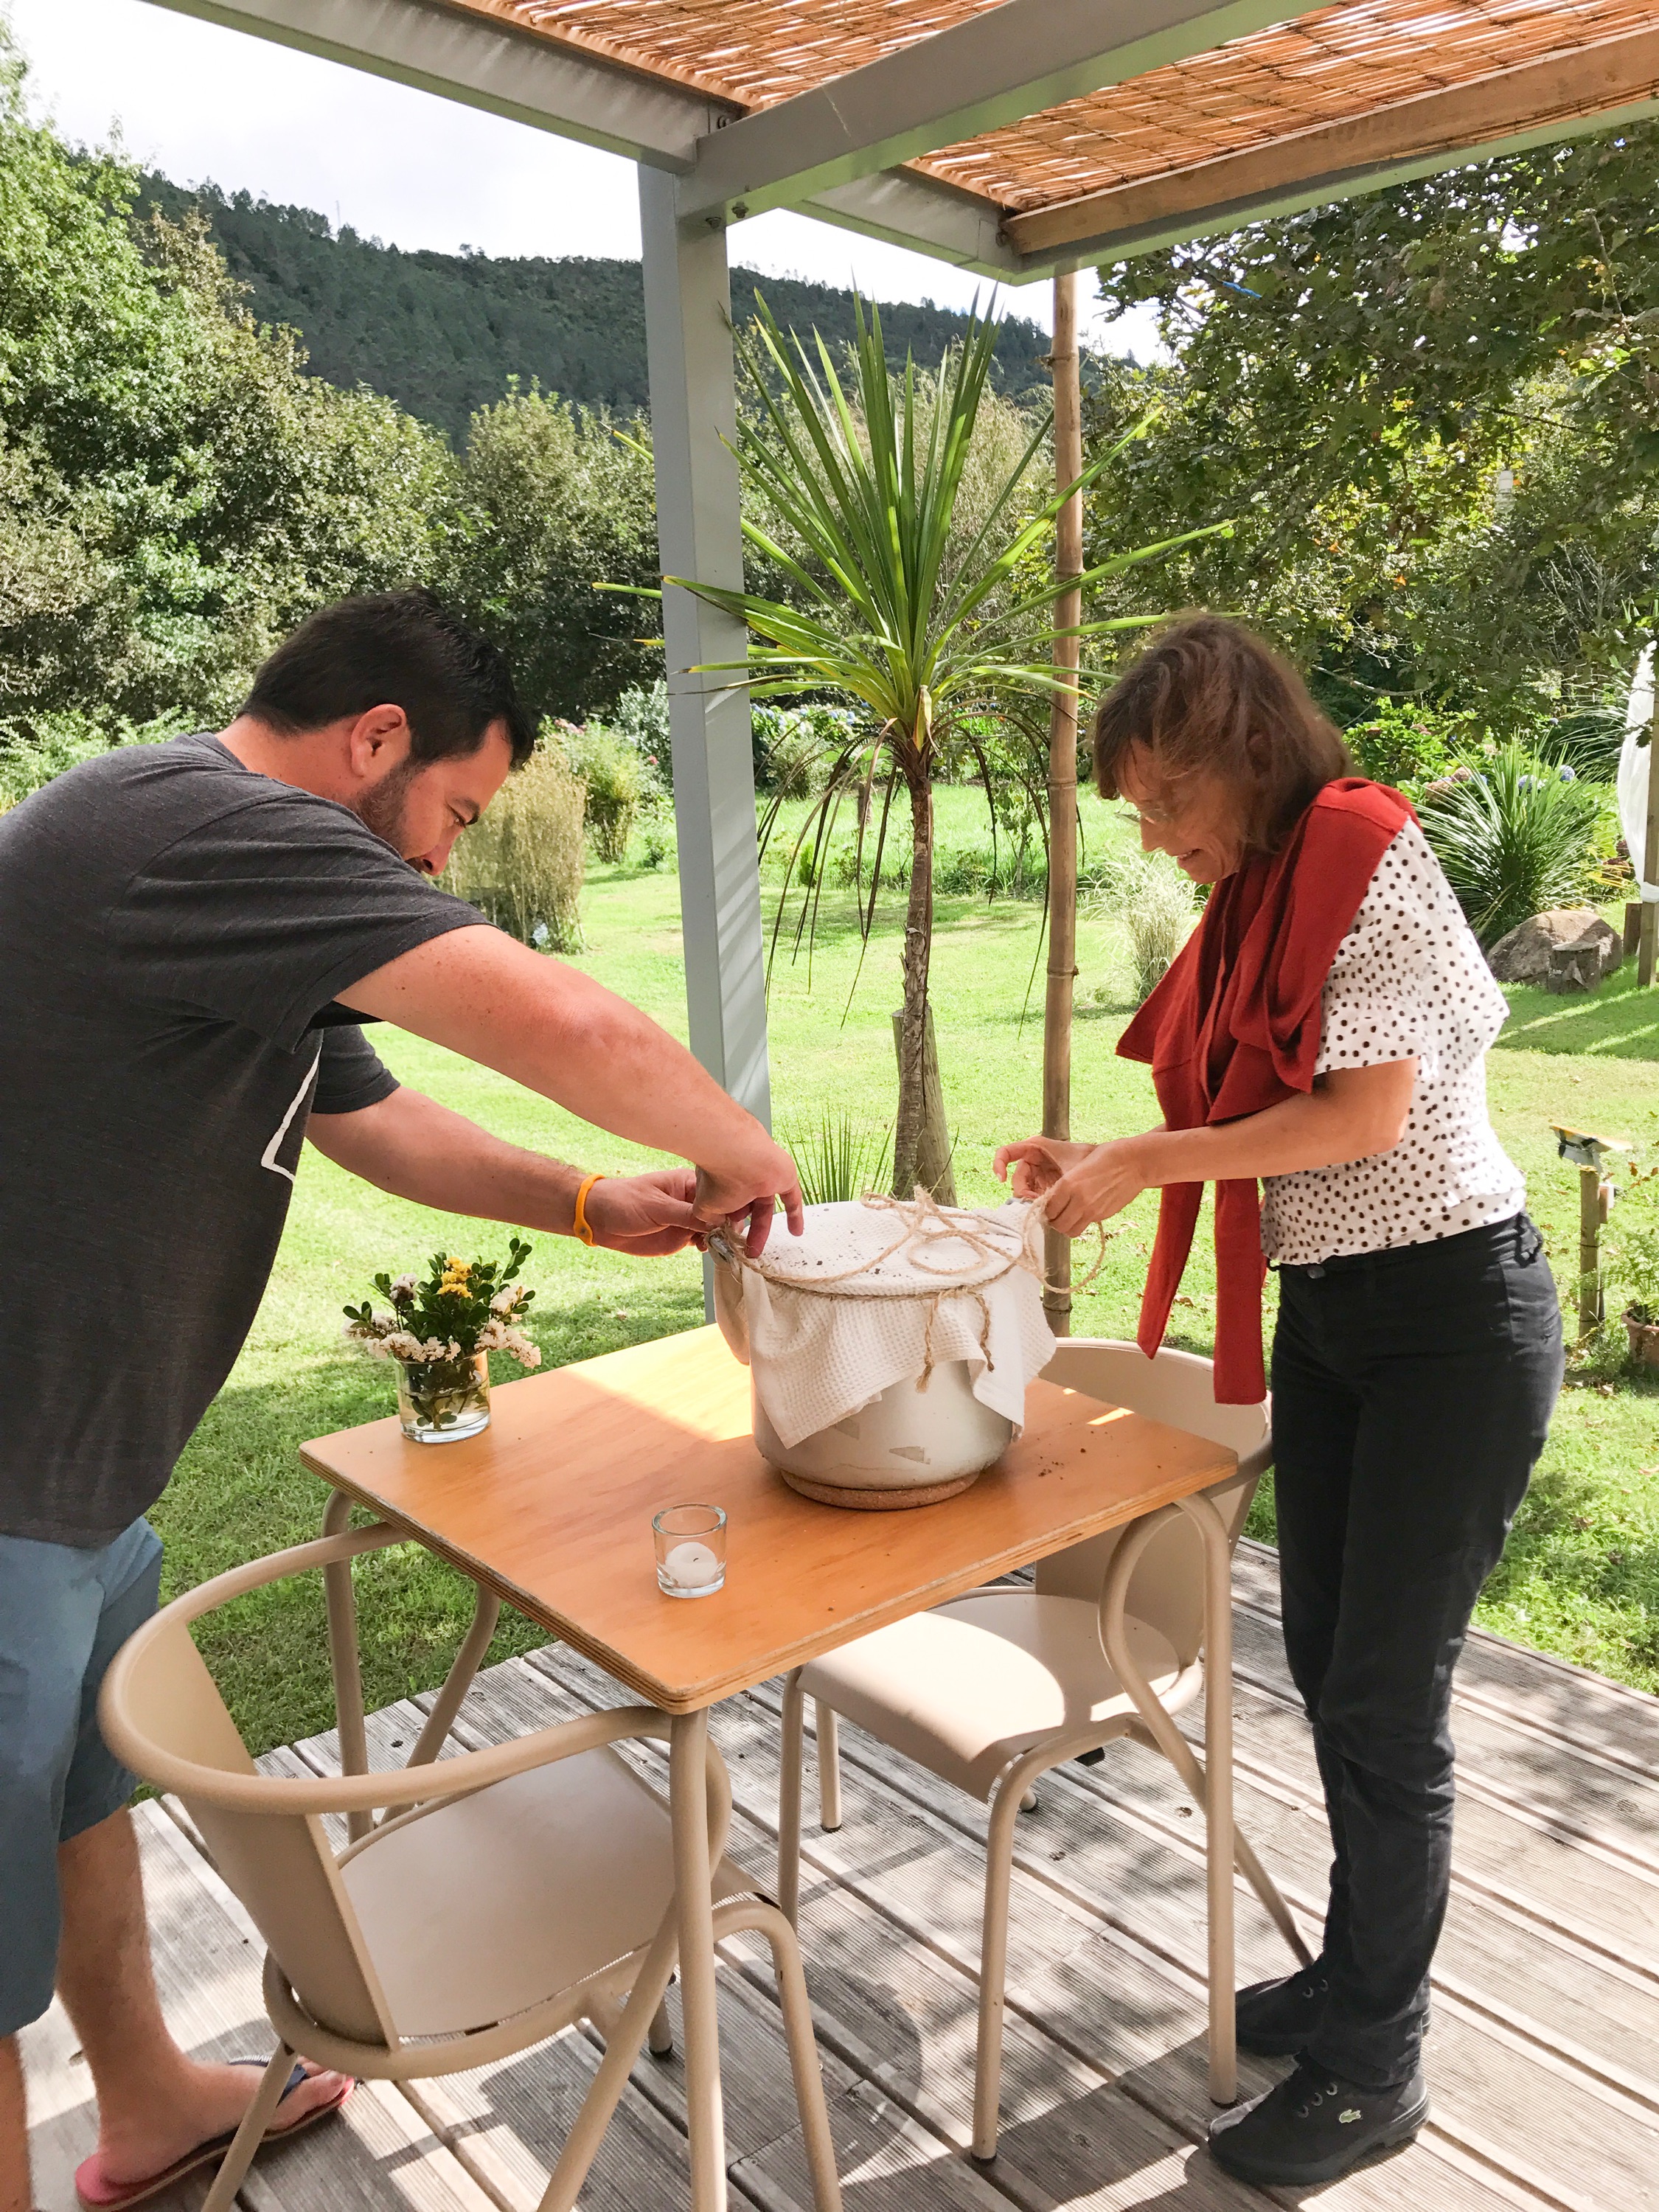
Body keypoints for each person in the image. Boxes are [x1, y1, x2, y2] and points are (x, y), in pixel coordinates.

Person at [0, 589, 802, 2212]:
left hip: (82, 1471)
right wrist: (754, 1156)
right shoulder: (193, 821)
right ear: (375, 739)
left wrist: (594, 1203)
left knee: (84, 1809)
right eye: (453, 808)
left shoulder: (238, 903)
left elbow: (369, 1121)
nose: (440, 857)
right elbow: (561, 1015)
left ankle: (148, 2100)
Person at [995, 616, 1562, 2190]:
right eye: (1144, 814)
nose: (1163, 839)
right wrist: (1112, 1154)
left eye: (1167, 800)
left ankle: (1379, 2067)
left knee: (1386, 1698)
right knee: (1327, 1666)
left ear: (1240, 752)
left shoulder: (1366, 851)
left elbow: (1361, 1118)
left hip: (1455, 1321)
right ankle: (1352, 1984)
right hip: (1336, 1322)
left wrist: (1145, 1164)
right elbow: (1247, 1107)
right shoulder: (1253, 894)